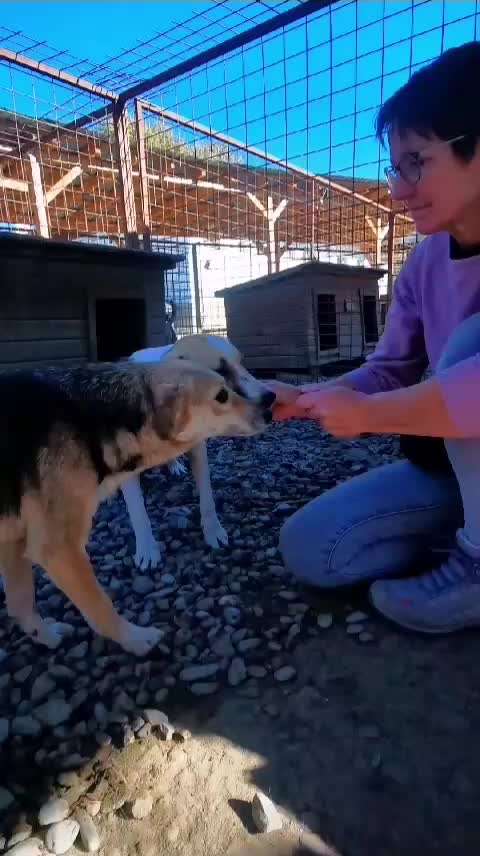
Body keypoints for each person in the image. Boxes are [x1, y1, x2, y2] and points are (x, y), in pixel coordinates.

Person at [269, 41, 480, 634]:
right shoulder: (424, 263)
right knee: (314, 548)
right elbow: (388, 370)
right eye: (395, 167)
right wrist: (309, 398)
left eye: (417, 161)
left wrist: (368, 414)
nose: (398, 187)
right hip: (456, 470)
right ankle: (464, 539)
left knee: (469, 348)